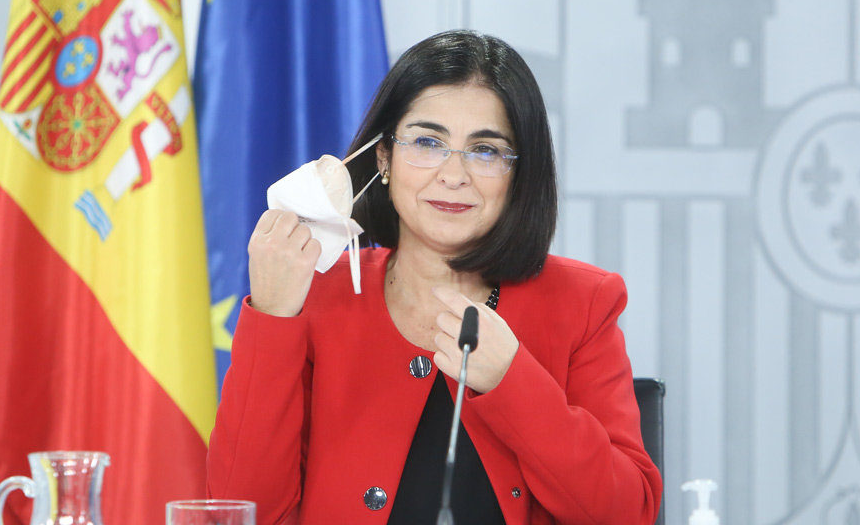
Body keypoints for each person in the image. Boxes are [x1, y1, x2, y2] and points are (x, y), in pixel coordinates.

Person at [206, 30, 663, 525]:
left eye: (485, 151)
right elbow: (237, 511)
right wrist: (273, 319)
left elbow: (626, 513)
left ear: (518, 175)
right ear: (383, 158)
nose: (453, 174)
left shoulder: (583, 303)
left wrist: (512, 381)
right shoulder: (315, 295)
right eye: (427, 142)